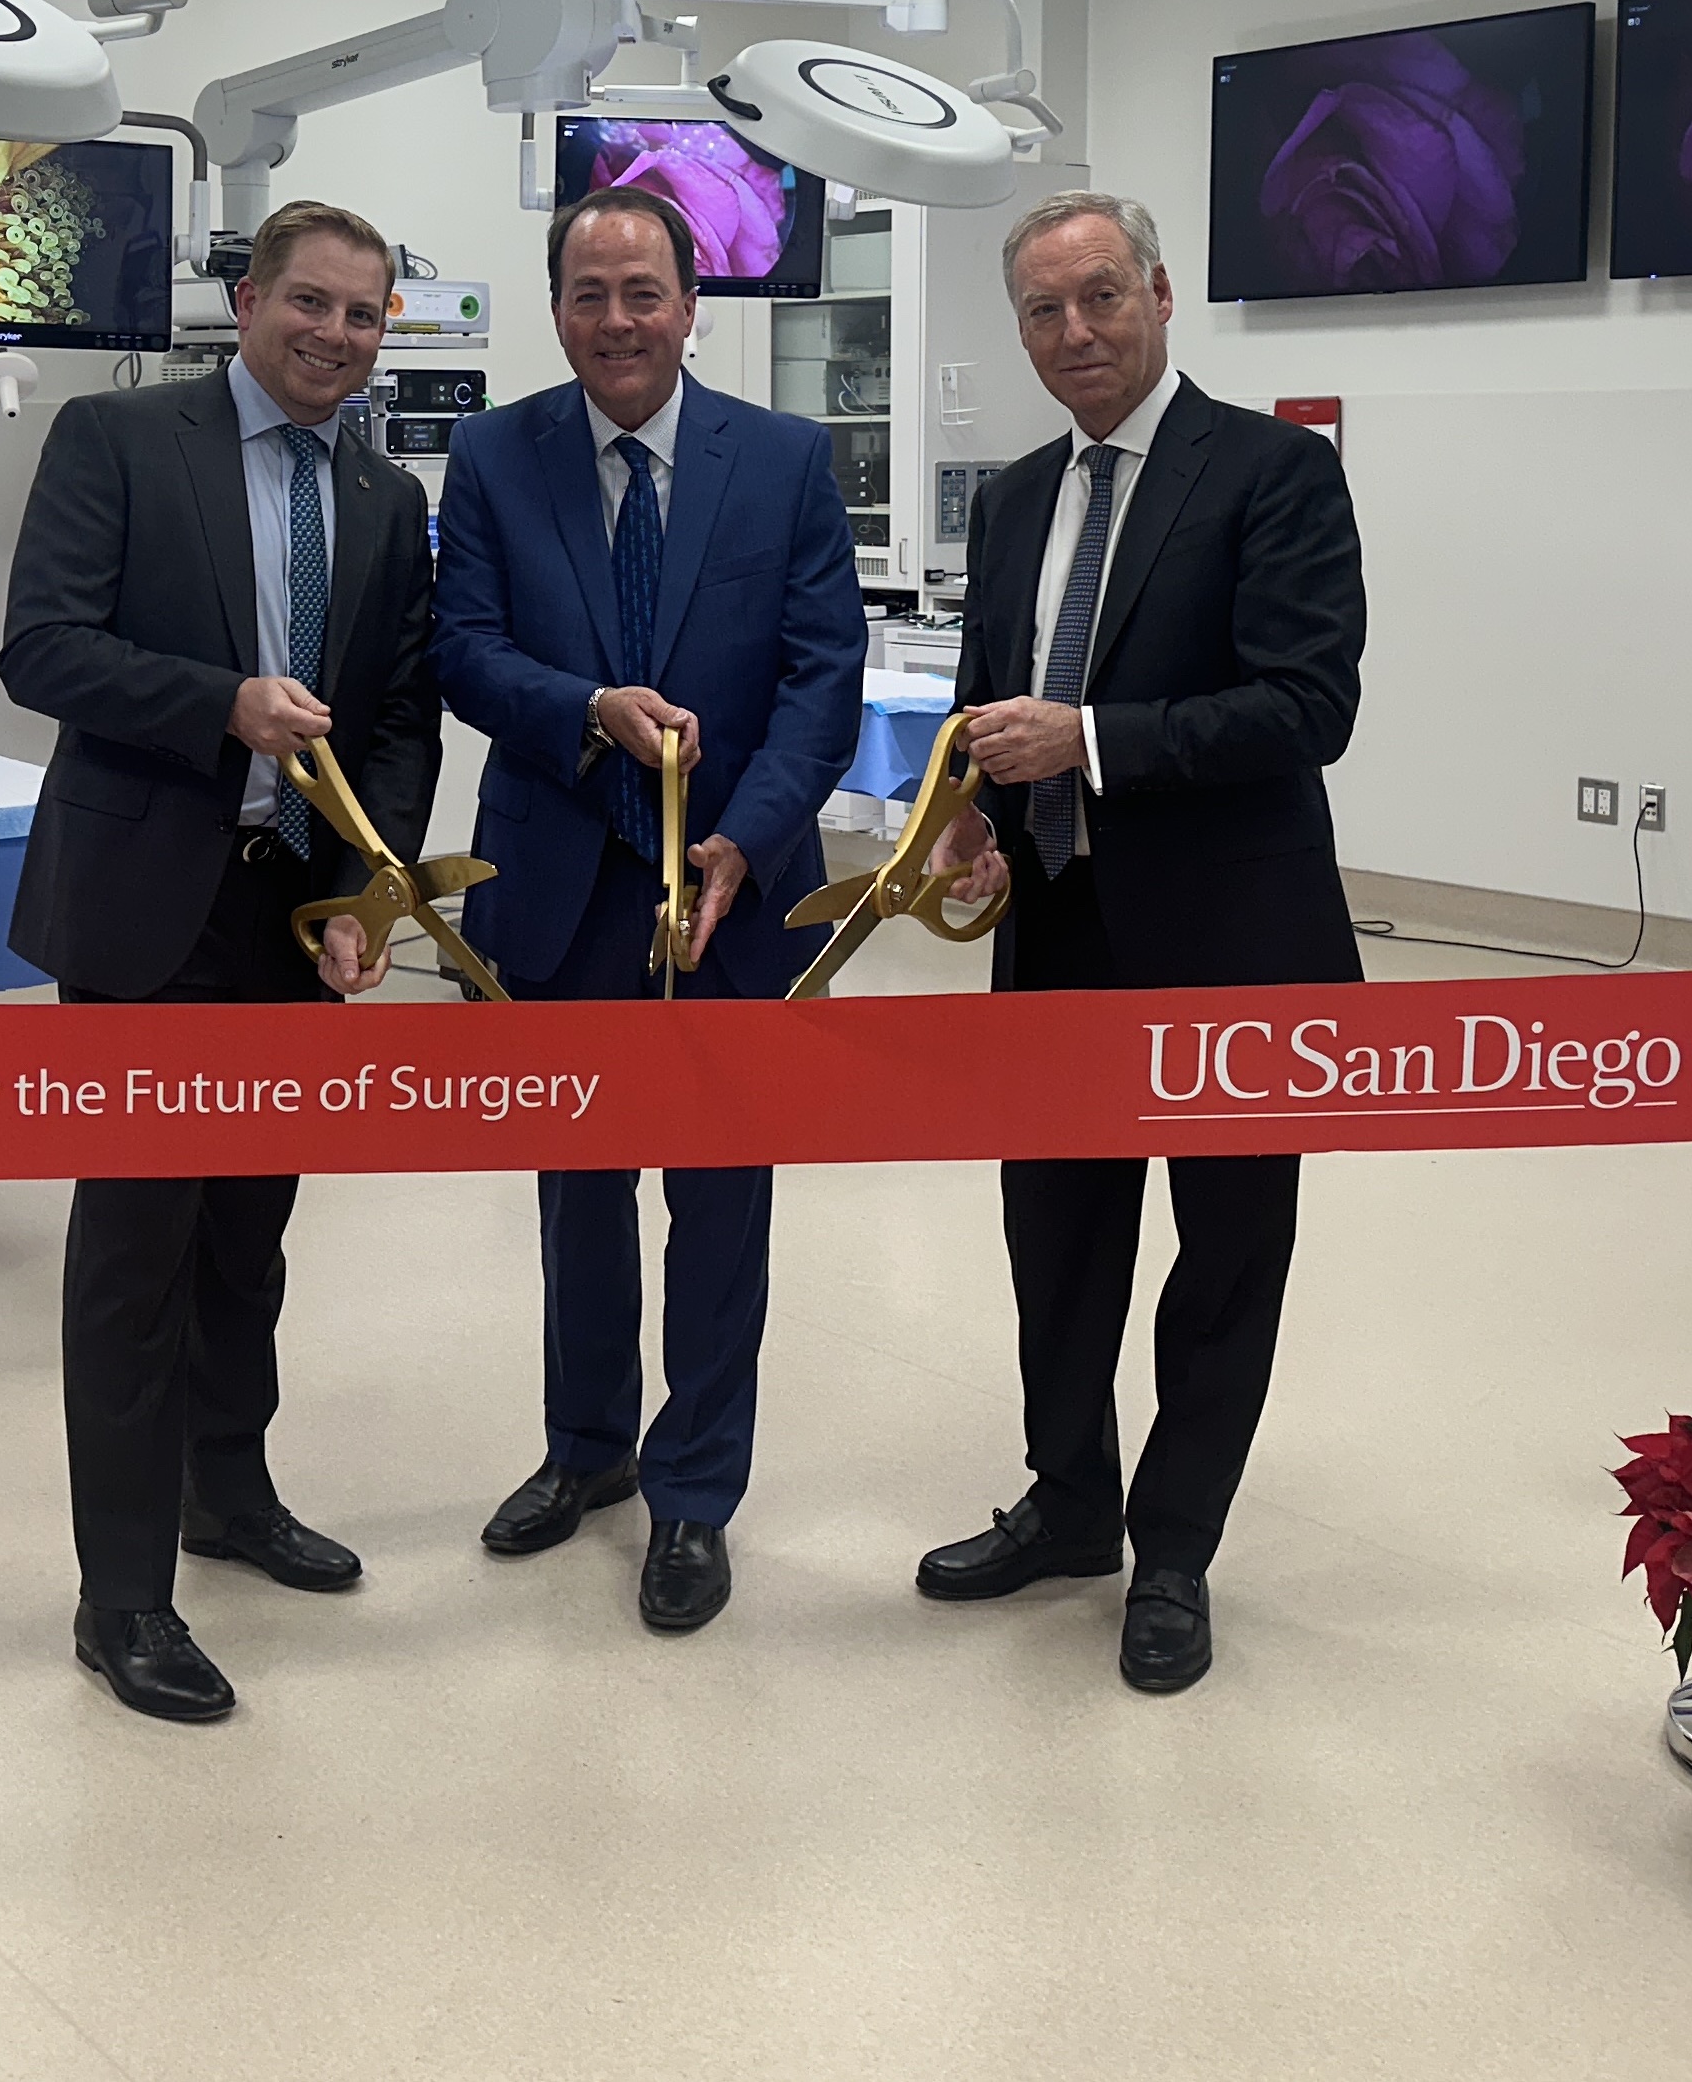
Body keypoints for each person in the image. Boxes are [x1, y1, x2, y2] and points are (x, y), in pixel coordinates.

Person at [0, 200, 442, 1724]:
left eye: (364, 317)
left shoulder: (385, 497)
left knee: (250, 1227)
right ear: (247, 303)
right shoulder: (118, 441)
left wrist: (353, 896)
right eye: (309, 304)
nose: (333, 336)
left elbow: (394, 721)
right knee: (137, 1251)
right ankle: (120, 1596)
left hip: (284, 915)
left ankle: (226, 1495)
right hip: (143, 911)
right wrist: (222, 706)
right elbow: (41, 649)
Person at [913, 190, 1366, 1695]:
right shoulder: (1013, 498)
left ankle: (1174, 1551)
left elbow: (1310, 708)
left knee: (1225, 1258)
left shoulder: (1275, 472)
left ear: (1163, 294)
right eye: (1045, 311)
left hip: (1233, 947)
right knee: (1057, 1245)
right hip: (1056, 938)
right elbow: (996, 702)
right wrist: (975, 806)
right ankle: (1069, 1505)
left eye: (1101, 297)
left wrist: (1089, 740)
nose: (1076, 333)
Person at [433, 185, 865, 1634]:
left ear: (691, 302)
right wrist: (586, 710)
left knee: (723, 1201)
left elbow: (822, 679)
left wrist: (747, 836)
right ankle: (585, 1451)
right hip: (559, 882)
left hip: (735, 896)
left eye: (642, 293)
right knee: (578, 1191)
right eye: (587, 294)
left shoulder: (788, 460)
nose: (615, 321)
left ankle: (694, 1496)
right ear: (557, 308)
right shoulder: (495, 457)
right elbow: (465, 651)